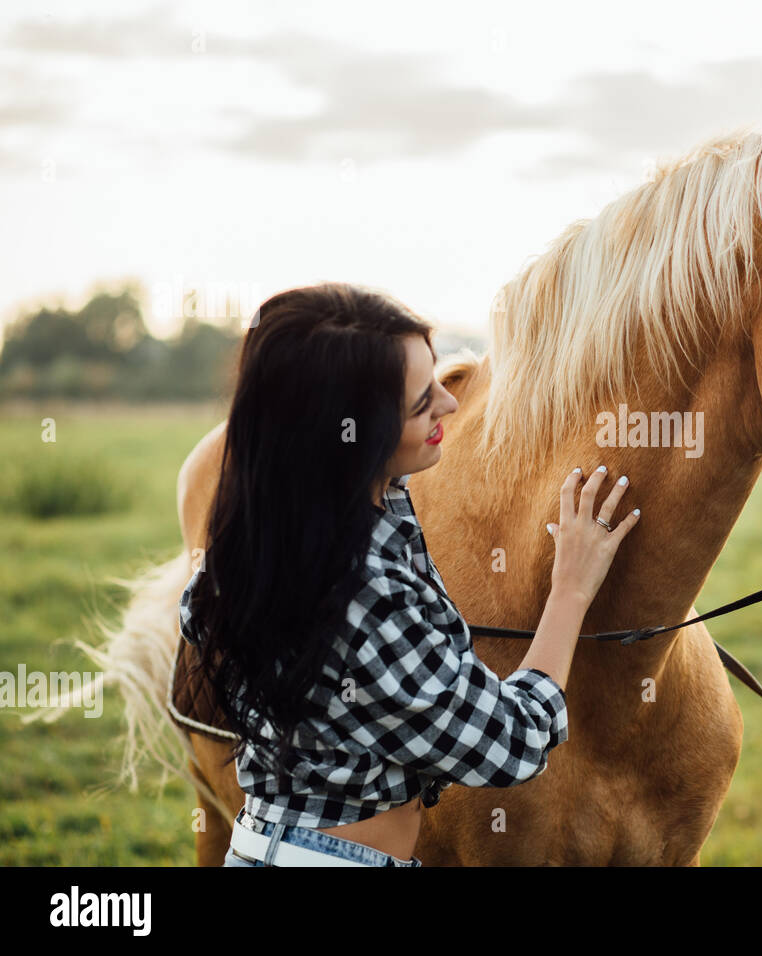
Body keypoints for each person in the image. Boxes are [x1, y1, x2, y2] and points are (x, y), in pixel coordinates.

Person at [177, 282, 639, 867]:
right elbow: (512, 743)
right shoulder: (363, 591)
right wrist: (569, 589)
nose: (449, 405)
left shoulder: (253, 551)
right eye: (422, 402)